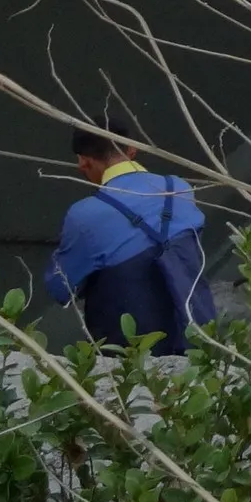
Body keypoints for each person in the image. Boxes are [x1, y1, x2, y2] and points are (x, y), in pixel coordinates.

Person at [44, 120, 214, 353]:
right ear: (133, 149)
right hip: (196, 342)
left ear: (83, 161)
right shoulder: (180, 188)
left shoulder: (84, 214)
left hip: (133, 356)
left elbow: (61, 288)